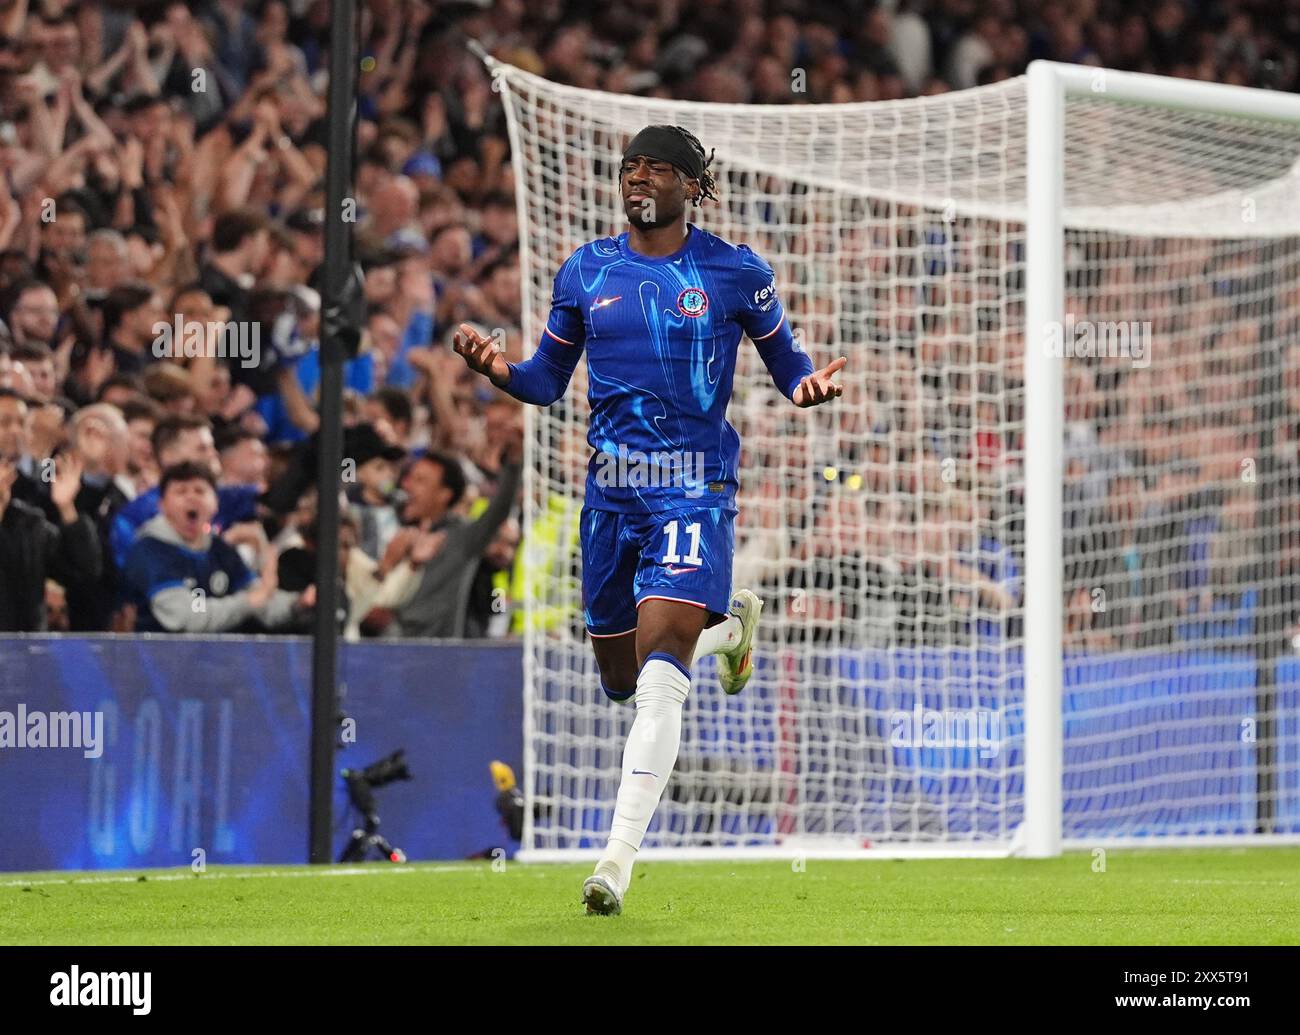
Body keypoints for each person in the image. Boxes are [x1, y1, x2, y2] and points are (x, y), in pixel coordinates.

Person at [452, 124, 847, 915]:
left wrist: (804, 387)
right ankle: (730, 631)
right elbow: (544, 381)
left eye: (659, 167)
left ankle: (614, 864)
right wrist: (496, 369)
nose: (640, 178)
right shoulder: (586, 269)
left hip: (694, 489)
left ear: (693, 186)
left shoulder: (737, 273)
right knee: (620, 679)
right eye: (631, 165)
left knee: (661, 681)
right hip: (611, 496)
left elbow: (788, 364)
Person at [121, 461, 312, 633]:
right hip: (158, 664)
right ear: (162, 505)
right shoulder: (150, 551)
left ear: (215, 504)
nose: (191, 498)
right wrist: (248, 602)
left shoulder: (220, 550)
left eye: (200, 491)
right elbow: (188, 617)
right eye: (181, 491)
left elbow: (261, 602)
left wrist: (299, 603)